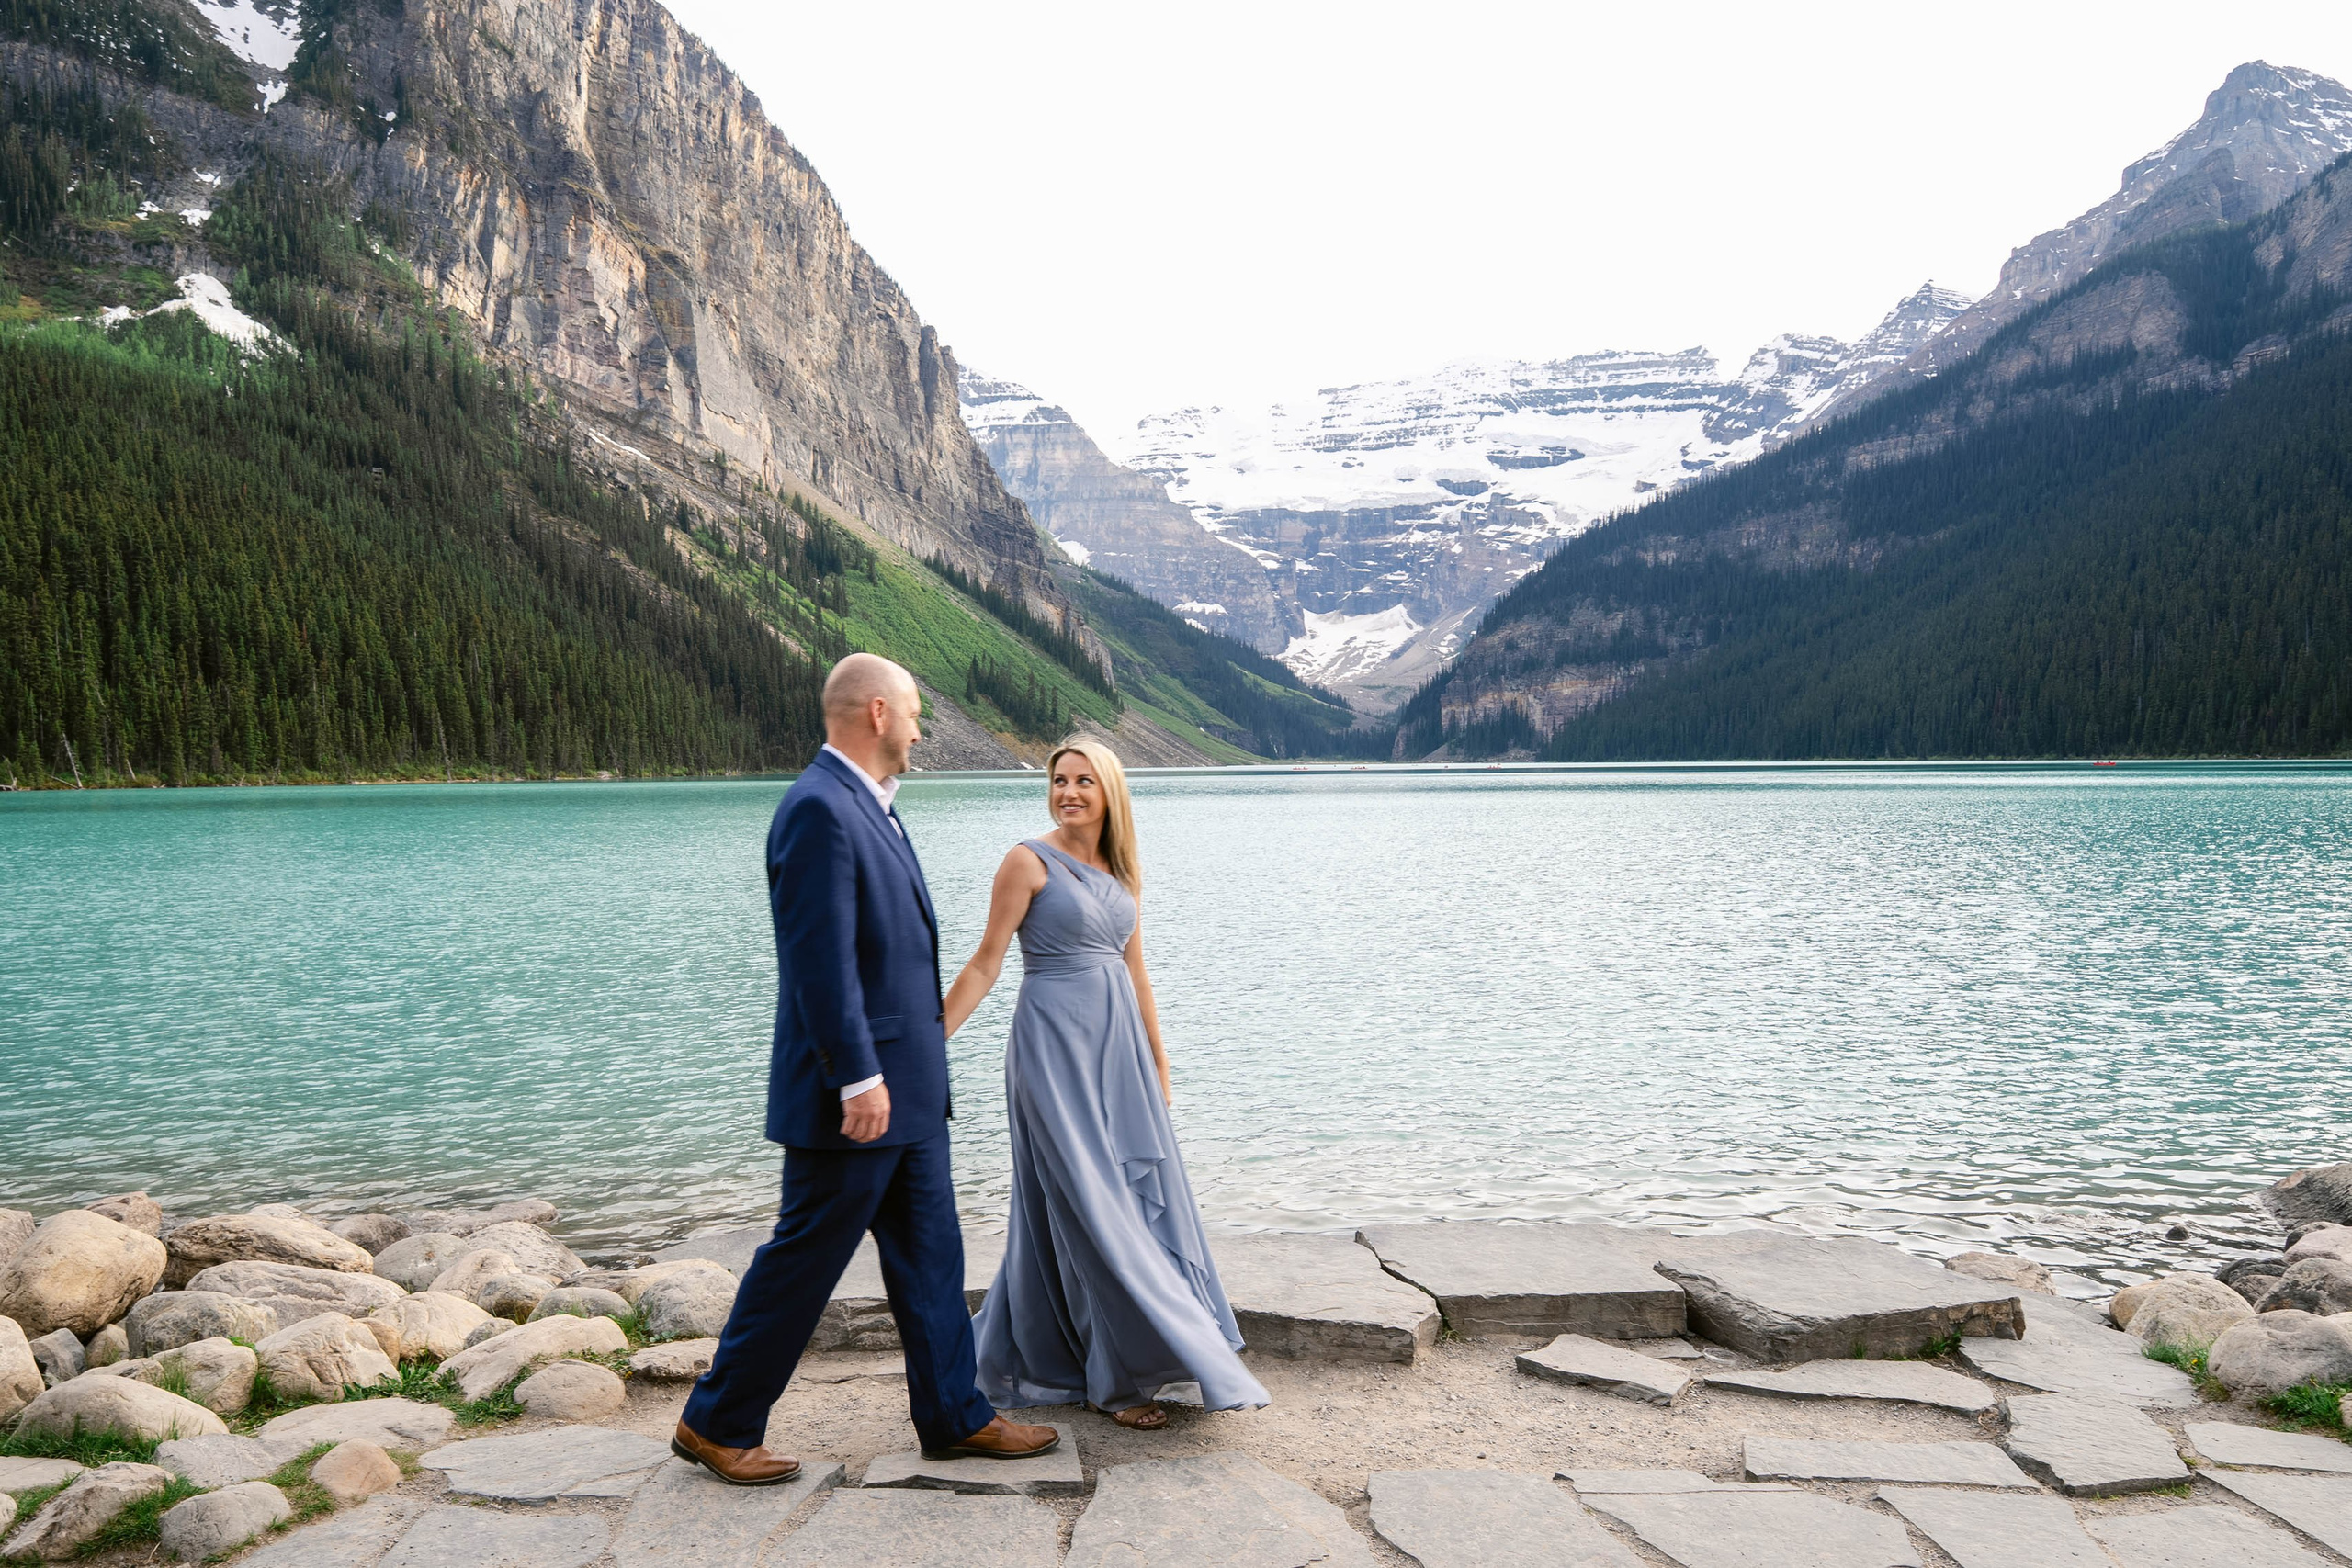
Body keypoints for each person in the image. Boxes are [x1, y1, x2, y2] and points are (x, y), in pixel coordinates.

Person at [672, 653, 1058, 1483]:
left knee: (932, 1257)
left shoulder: (871, 804)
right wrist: (856, 1076)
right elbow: (821, 962)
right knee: (804, 1258)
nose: (923, 728)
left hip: (908, 1090)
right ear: (877, 713)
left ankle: (955, 1415)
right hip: (857, 1096)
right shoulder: (819, 808)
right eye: (916, 713)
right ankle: (716, 1420)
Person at [944, 739, 1269, 1429]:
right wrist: (926, 1037)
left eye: (1083, 780)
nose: (1068, 792)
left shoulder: (1122, 871)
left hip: (1118, 1056)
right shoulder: (1026, 861)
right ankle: (1115, 1380)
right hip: (1051, 1051)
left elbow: (1138, 972)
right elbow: (985, 962)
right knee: (1091, 1206)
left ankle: (1079, 1352)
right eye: (1059, 780)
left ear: (1109, 790)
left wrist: (1160, 1061)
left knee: (1121, 1200)